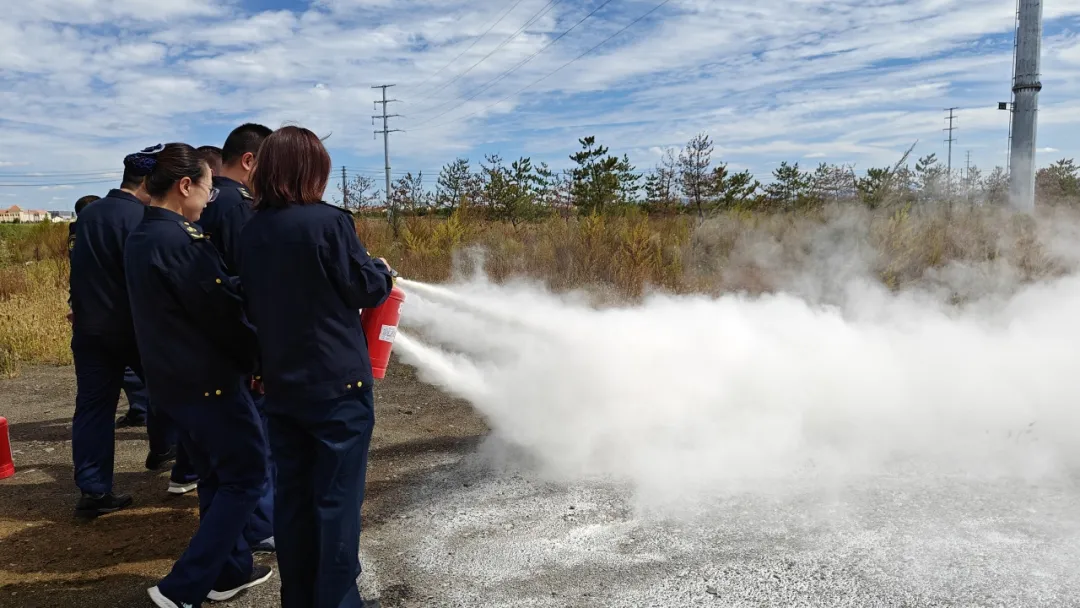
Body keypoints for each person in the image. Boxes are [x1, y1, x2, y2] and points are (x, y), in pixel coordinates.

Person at [239, 126, 394, 608]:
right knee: (336, 503)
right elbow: (364, 288)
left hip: (283, 386)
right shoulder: (328, 223)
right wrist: (381, 271)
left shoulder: (252, 229)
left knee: (294, 502)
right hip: (336, 388)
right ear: (312, 172)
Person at [123, 143, 273, 607]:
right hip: (209, 383)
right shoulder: (181, 242)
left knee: (215, 477)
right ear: (185, 186)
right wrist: (259, 362)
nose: (210, 199)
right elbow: (222, 316)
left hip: (174, 382)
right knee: (246, 476)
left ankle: (229, 572)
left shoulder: (143, 235)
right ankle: (181, 588)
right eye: (208, 189)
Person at [68, 148, 160, 517]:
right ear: (148, 182)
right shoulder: (142, 217)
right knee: (169, 393)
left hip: (90, 327)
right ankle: (169, 453)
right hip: (133, 327)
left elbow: (79, 270)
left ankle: (93, 490)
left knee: (93, 408)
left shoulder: (89, 215)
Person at [198, 123, 277, 553]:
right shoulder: (237, 206)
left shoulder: (209, 202)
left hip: (212, 345)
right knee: (256, 441)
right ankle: (261, 525)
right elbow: (252, 285)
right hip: (240, 346)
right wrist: (261, 356)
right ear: (249, 161)